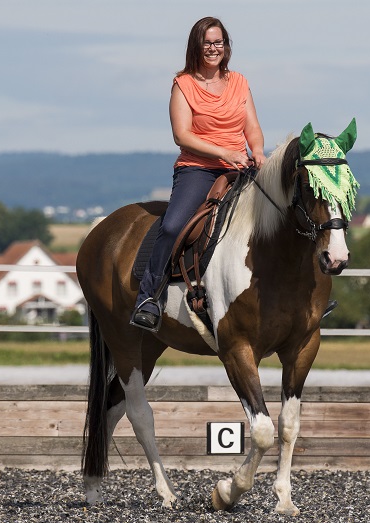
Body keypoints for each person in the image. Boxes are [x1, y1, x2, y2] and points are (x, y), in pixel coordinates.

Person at [132, 16, 266, 330]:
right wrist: (225, 153)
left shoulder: (240, 82)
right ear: (196, 46)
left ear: (226, 46)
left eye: (218, 42)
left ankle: (300, 295)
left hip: (241, 166)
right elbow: (182, 135)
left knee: (283, 212)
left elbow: (253, 128)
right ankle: (149, 296)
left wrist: (257, 151)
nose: (213, 48)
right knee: (174, 225)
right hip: (199, 168)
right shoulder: (184, 85)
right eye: (207, 43)